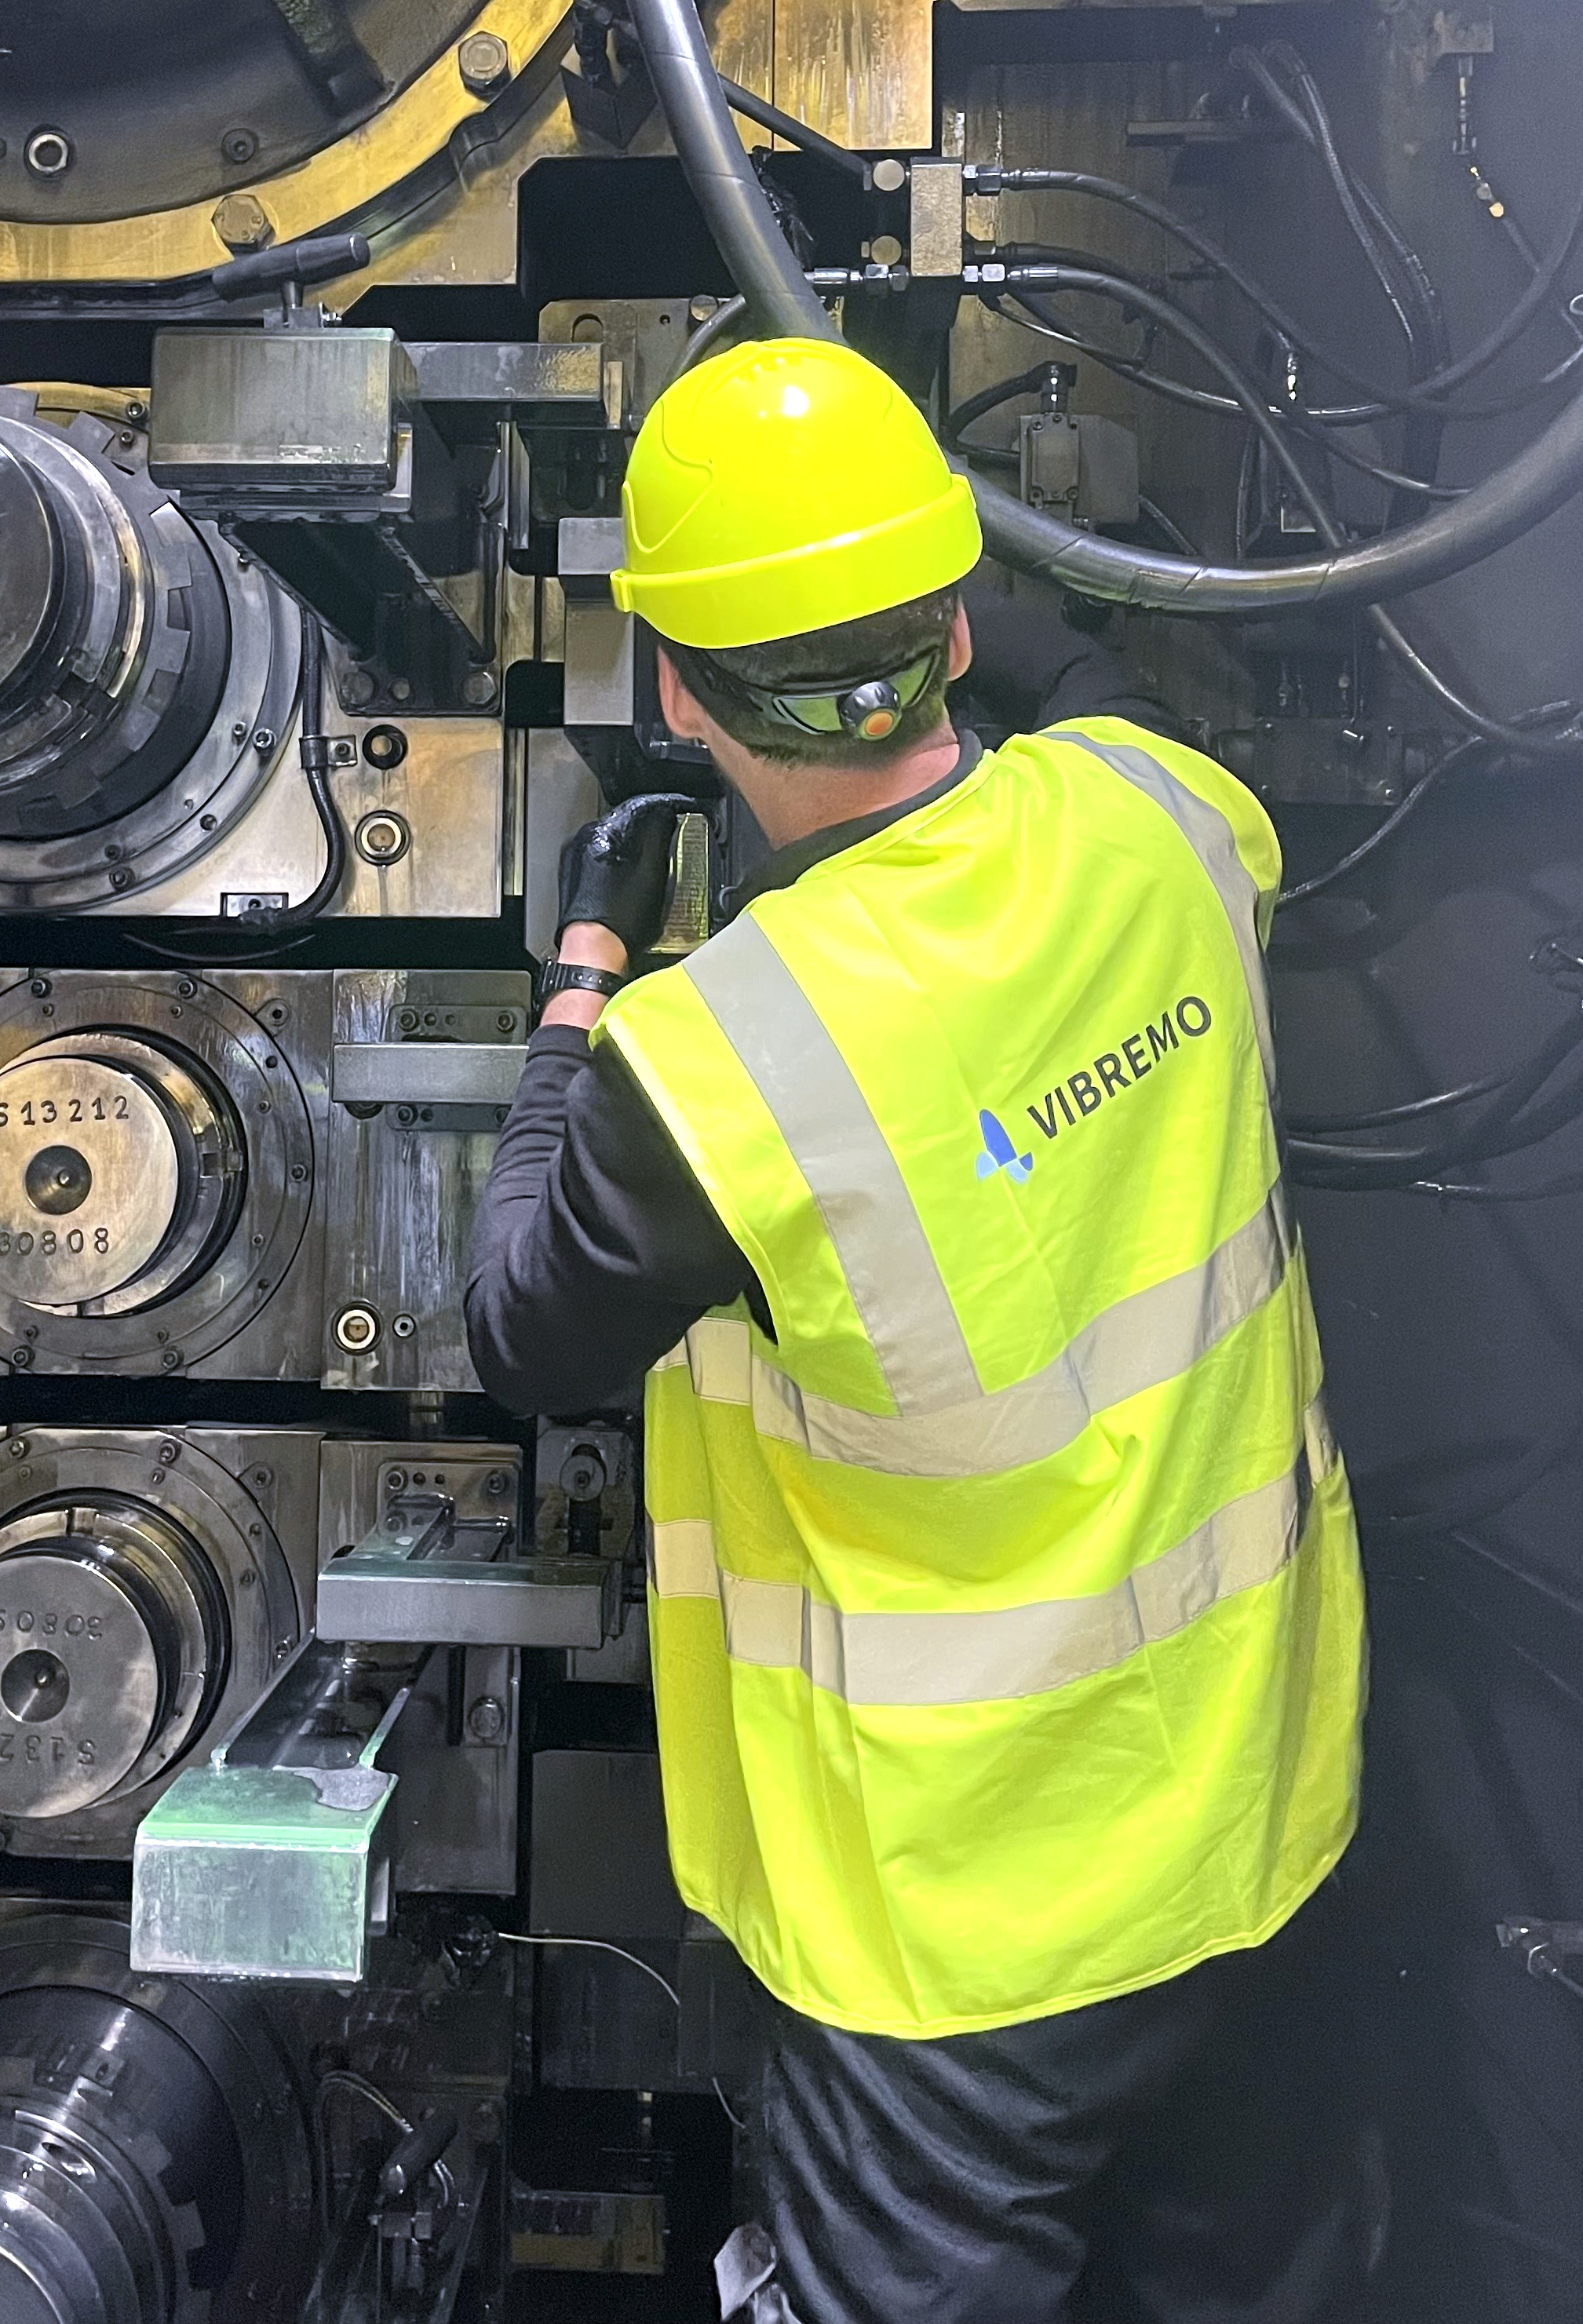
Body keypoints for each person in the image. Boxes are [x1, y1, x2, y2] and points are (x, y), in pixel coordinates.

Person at [465, 337, 1368, 2323]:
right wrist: (952, 601)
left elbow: (521, 1325)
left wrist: (582, 975)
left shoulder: (715, 1063)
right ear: (953, 624)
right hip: (1253, 1826)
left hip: (953, 1941)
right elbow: (1082, 685)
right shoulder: (1161, 819)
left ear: (680, 694)